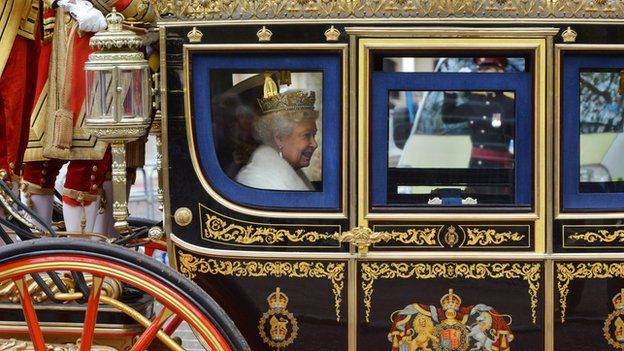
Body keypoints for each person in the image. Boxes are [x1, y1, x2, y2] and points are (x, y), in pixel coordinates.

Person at [19, 0, 155, 234]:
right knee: (41, 160)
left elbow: (143, 12)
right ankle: (62, 254)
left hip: (105, 48)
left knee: (100, 162)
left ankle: (94, 249)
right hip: (66, 48)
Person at [235, 75, 319, 191]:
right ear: (279, 138)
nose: (315, 144)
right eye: (306, 135)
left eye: (313, 135)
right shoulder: (260, 181)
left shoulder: (289, 172)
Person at [441, 57, 515, 169]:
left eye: (487, 69)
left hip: (499, 171)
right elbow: (448, 117)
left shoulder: (510, 103)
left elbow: (520, 140)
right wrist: (450, 91)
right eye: (480, 69)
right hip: (475, 167)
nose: (482, 73)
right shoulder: (475, 101)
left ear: (500, 72)